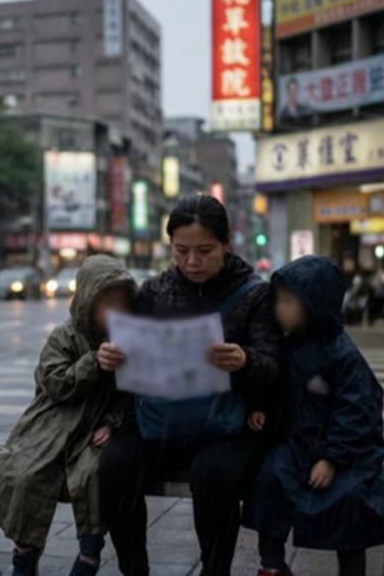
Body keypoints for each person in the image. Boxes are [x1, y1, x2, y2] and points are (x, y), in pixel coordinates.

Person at [97, 194, 283, 576]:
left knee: (213, 476)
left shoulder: (253, 294)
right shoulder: (153, 292)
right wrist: (111, 359)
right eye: (181, 251)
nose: (192, 262)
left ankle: (215, 571)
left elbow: (275, 368)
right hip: (160, 418)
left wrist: (244, 361)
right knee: (115, 466)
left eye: (205, 250)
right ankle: (134, 568)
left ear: (226, 242)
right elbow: (128, 362)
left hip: (224, 424)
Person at [243, 255, 384, 576]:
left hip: (345, 452)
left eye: (288, 302)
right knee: (270, 477)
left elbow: (357, 411)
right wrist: (261, 409)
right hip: (299, 443)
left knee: (348, 500)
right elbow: (277, 389)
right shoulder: (289, 346)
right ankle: (271, 562)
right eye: (278, 301)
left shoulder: (342, 354)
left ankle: (351, 570)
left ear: (314, 304)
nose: (279, 310)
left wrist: (331, 457)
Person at [0, 255, 135, 576]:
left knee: (91, 476)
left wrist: (112, 423)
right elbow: (54, 381)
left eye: (121, 301)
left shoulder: (129, 338)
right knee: (26, 474)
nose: (114, 309)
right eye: (105, 301)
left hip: (94, 428)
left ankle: (89, 553)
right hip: (53, 422)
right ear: (87, 300)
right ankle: (25, 554)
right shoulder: (65, 336)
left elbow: (133, 393)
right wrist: (93, 363)